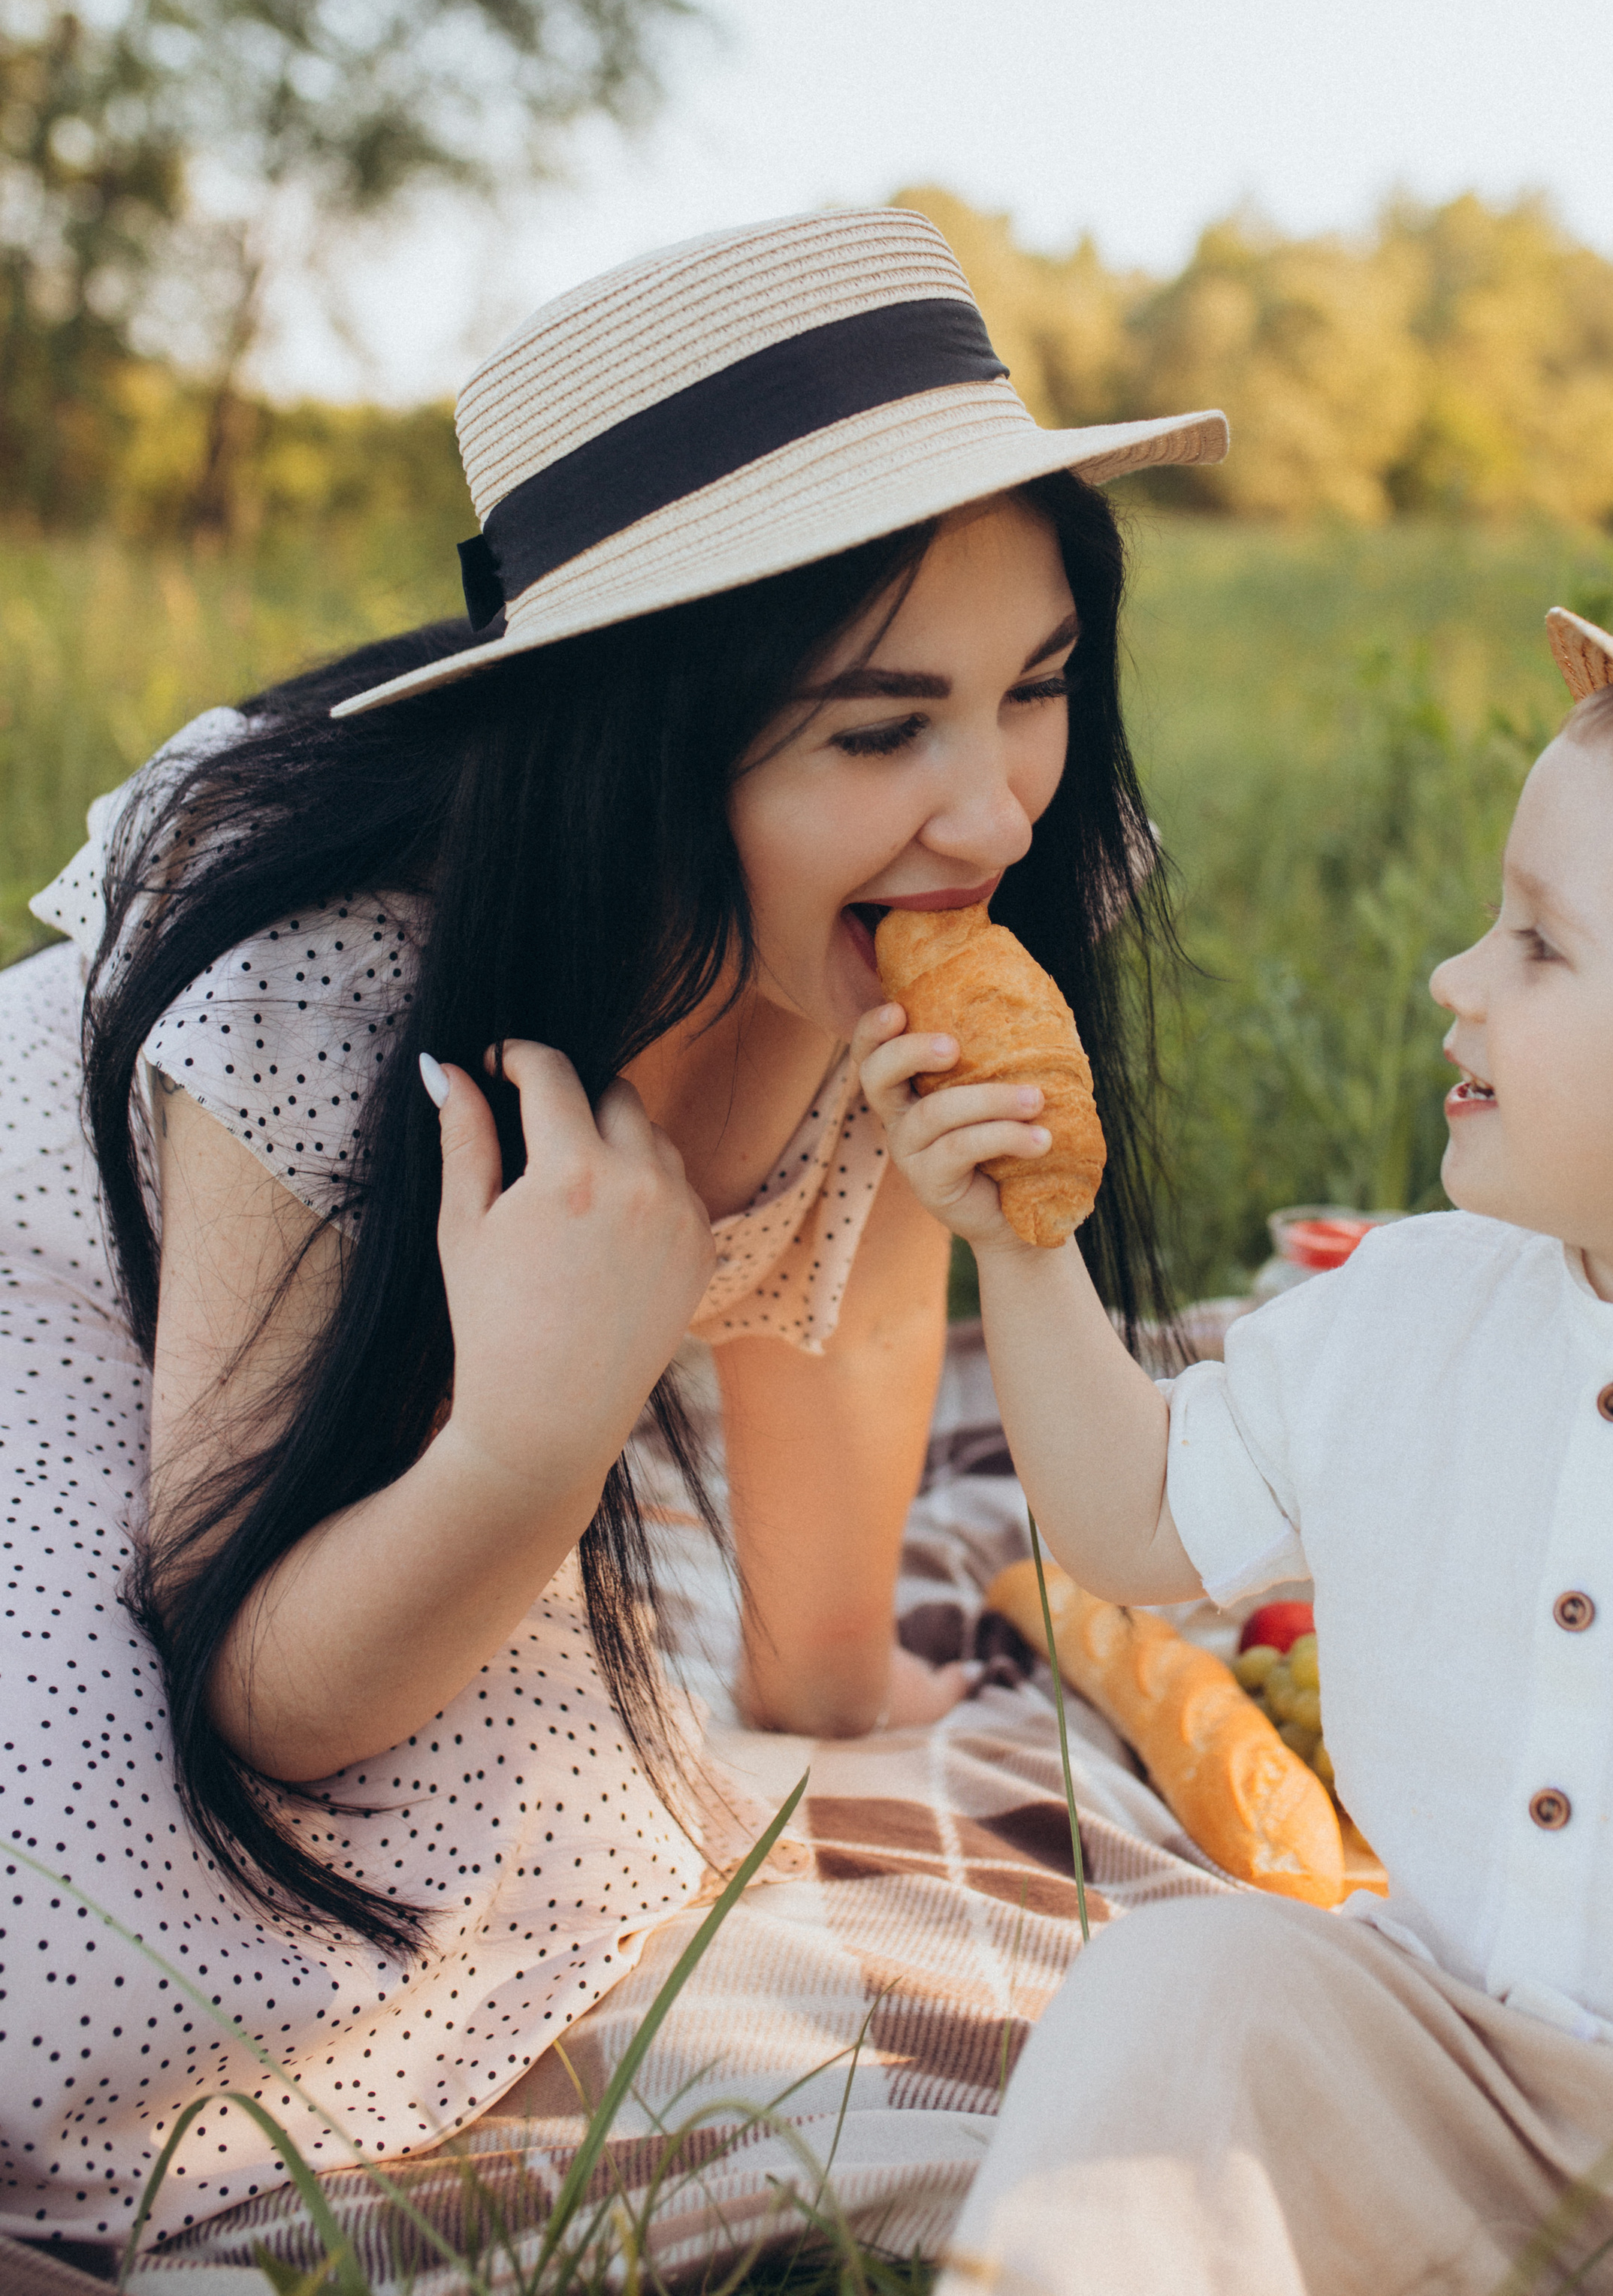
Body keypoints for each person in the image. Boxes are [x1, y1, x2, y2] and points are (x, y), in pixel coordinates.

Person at [0, 203, 1227, 2257]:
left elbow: (845, 1271)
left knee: (572, 1814)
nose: (995, 811)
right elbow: (265, 1687)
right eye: (877, 728)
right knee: (135, 1939)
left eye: (1038, 688)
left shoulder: (943, 898)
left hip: (426, 1411)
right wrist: (522, 1449)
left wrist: (835, 1683)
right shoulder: (343, 985)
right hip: (72, 1318)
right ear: (639, 744)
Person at [860, 571, 1613, 2295]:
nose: (1454, 973)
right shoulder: (1408, 1312)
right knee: (1184, 1990)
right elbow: (1135, 1526)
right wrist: (1019, 1241)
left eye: (1536, 943)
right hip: (1454, 2092)